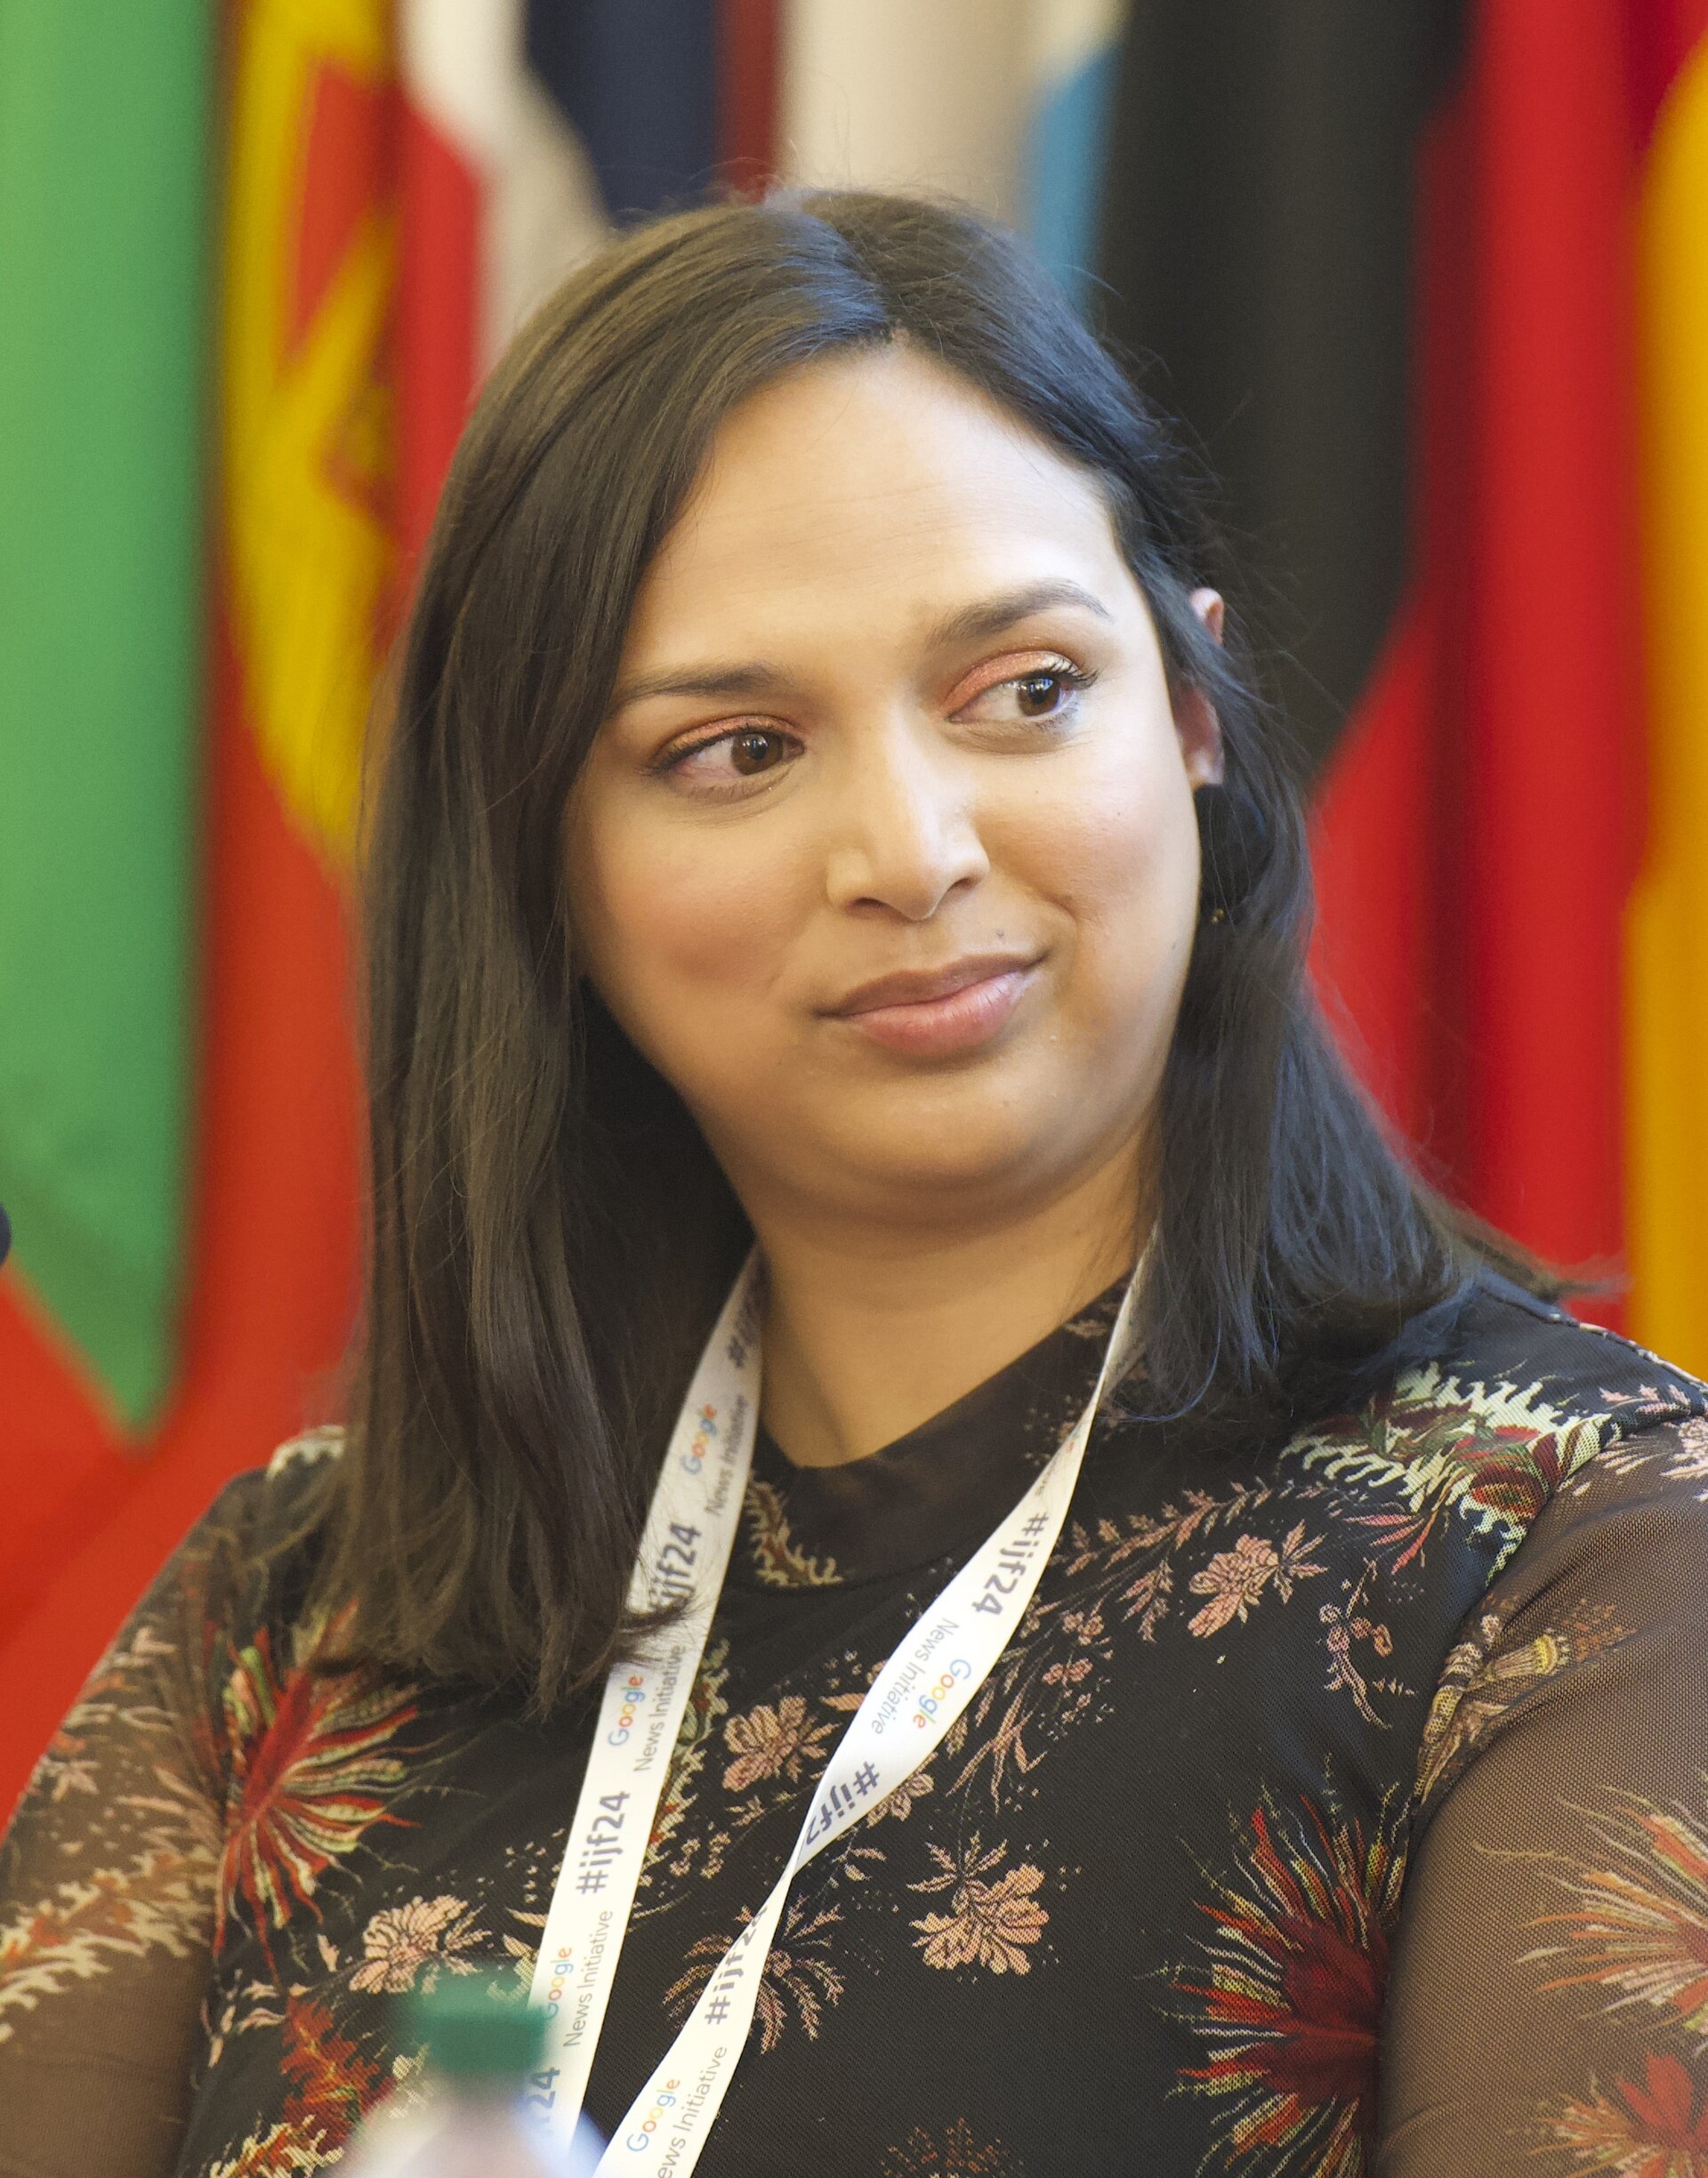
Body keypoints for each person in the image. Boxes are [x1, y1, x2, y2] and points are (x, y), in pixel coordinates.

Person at [3, 189, 1706, 2178]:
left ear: (1192, 712)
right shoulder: (299, 1600)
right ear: (543, 866)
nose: (910, 847)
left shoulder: (1571, 1555)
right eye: (735, 749)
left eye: (1027, 691)